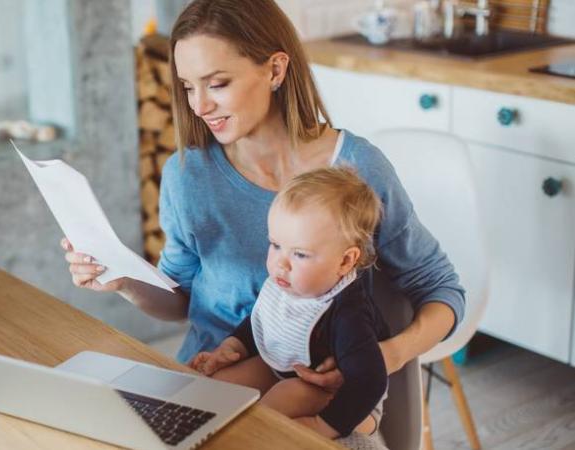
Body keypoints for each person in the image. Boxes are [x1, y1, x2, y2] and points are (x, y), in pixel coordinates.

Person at [61, 0, 464, 432]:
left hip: (313, 396)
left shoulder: (356, 170)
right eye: (188, 87)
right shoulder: (186, 174)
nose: (199, 106)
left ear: (274, 70)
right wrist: (122, 280)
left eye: (216, 84)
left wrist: (390, 355)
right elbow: (180, 300)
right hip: (211, 376)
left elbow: (440, 288)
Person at [190, 167, 389, 439]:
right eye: (275, 245)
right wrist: (231, 347)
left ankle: (249, 439)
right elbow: (264, 320)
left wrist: (323, 426)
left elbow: (369, 381)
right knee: (219, 387)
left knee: (276, 404)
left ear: (344, 261)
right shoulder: (290, 281)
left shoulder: (348, 313)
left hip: (350, 399)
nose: (281, 263)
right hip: (286, 369)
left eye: (300, 254)